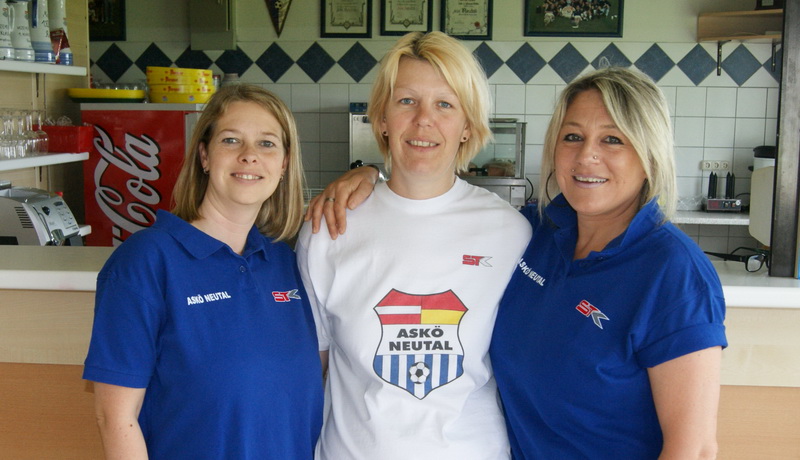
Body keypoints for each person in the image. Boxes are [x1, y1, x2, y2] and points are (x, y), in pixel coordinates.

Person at [307, 67, 726, 459]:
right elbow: (424, 213)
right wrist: (370, 177)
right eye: (573, 137)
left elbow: (695, 449)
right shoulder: (537, 235)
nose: (586, 156)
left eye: (612, 140)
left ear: (650, 152)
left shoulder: (672, 270)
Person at [296, 31, 531, 459]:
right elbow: (310, 375)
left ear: (467, 126)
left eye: (445, 104)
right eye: (407, 101)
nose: (424, 120)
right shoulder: (329, 227)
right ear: (382, 118)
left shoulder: (510, 233)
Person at [83, 84, 323, 459]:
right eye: (231, 140)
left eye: (266, 143)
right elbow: (115, 418)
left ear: (284, 163)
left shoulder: (286, 263)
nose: (249, 155)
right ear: (204, 155)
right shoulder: (146, 261)